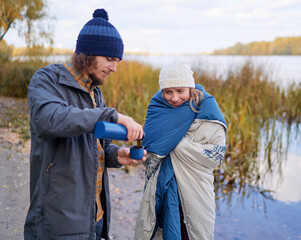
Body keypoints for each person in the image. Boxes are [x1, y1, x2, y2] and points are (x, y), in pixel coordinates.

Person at [24, 8, 146, 240]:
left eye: (117, 61)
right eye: (110, 59)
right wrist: (111, 115)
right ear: (88, 53)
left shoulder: (95, 93)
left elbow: (97, 146)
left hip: (96, 217)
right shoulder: (47, 80)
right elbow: (49, 120)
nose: (114, 68)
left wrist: (117, 154)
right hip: (60, 221)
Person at [134, 62, 227, 240]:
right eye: (168, 92)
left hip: (195, 189)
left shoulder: (206, 110)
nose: (174, 98)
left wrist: (176, 143)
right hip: (161, 185)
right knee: (159, 229)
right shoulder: (158, 108)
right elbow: (152, 147)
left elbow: (216, 156)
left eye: (180, 91)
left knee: (190, 233)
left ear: (190, 88)